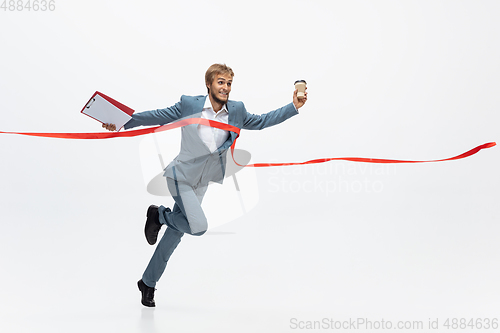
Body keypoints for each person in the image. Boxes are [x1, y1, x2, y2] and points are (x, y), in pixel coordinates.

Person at [103, 64, 307, 307]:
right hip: (180, 176)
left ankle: (148, 282)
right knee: (198, 226)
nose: (226, 88)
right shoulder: (190, 105)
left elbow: (261, 121)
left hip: (202, 182)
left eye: (229, 83)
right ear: (209, 84)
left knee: (175, 235)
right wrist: (123, 122)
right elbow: (157, 116)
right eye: (221, 82)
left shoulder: (237, 110)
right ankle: (158, 215)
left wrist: (293, 106)